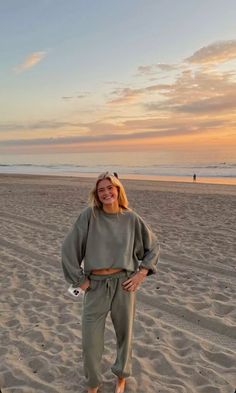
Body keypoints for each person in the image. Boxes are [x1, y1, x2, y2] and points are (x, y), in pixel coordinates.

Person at [61, 172, 160, 393]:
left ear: (118, 190)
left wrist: (141, 273)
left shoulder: (131, 218)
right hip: (95, 284)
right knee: (91, 339)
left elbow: (153, 247)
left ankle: (122, 376)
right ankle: (93, 383)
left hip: (124, 283)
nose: (106, 193)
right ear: (96, 194)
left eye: (110, 188)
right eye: (101, 189)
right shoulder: (89, 216)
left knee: (125, 333)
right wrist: (80, 280)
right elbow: (68, 249)